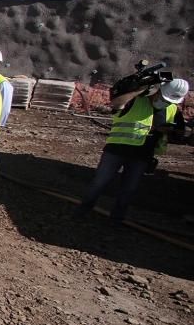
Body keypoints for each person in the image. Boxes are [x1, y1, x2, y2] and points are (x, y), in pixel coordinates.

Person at [77, 78, 189, 221]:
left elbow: (180, 134)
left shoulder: (172, 109)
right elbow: (116, 104)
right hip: (116, 149)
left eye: (170, 101)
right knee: (99, 182)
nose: (166, 102)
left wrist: (167, 131)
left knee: (128, 189)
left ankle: (116, 220)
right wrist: (138, 90)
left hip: (142, 156)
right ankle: (82, 211)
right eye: (164, 97)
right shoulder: (136, 101)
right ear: (158, 90)